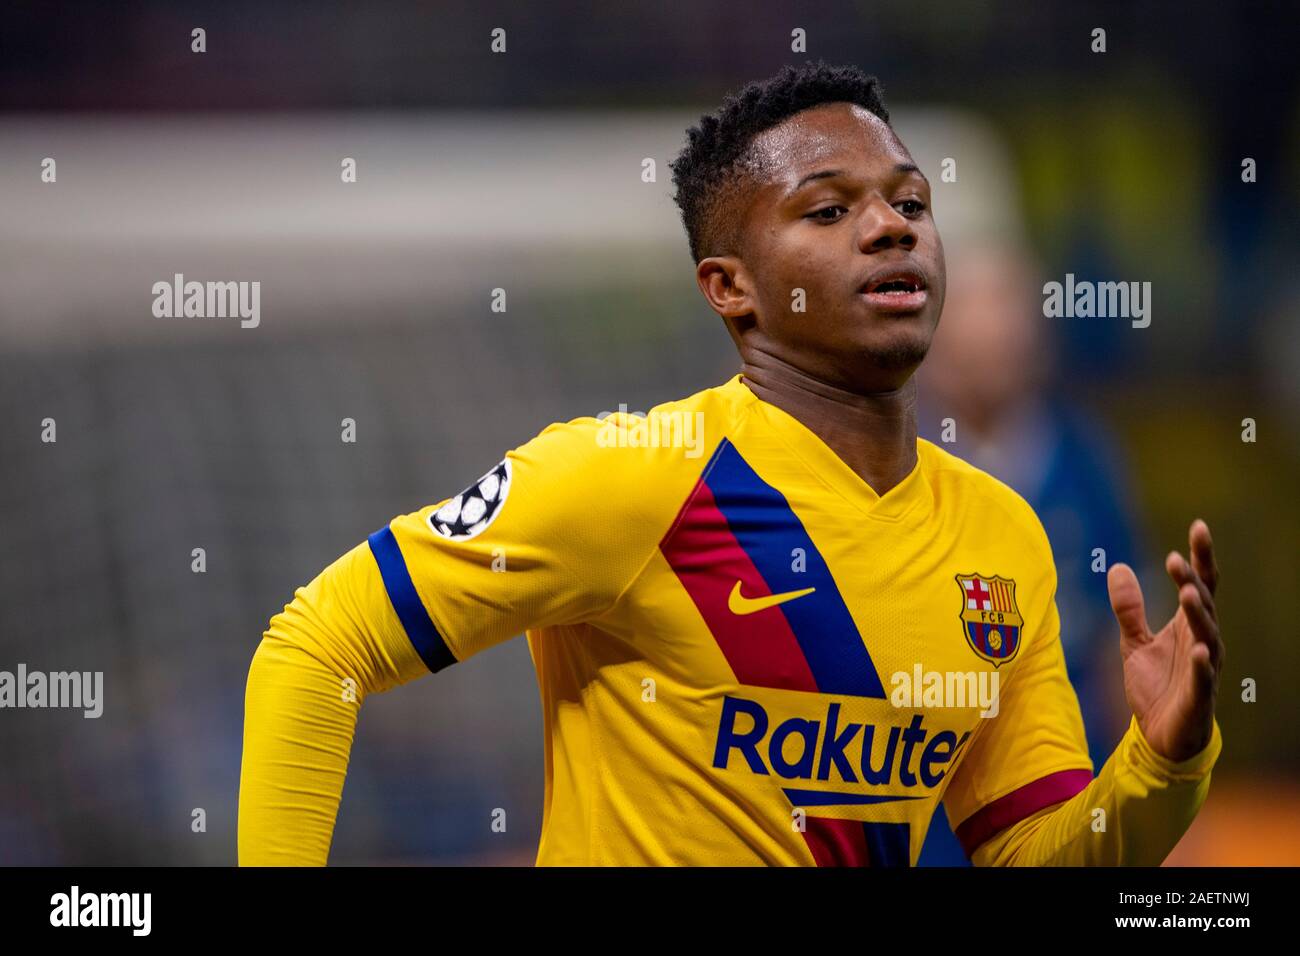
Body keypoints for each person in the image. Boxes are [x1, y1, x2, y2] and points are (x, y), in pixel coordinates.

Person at [239, 61, 1223, 866]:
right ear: (731, 288)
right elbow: (317, 645)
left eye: (909, 201)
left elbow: (1024, 852)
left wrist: (1159, 761)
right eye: (828, 211)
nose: (891, 226)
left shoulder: (1000, 533)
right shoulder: (631, 474)